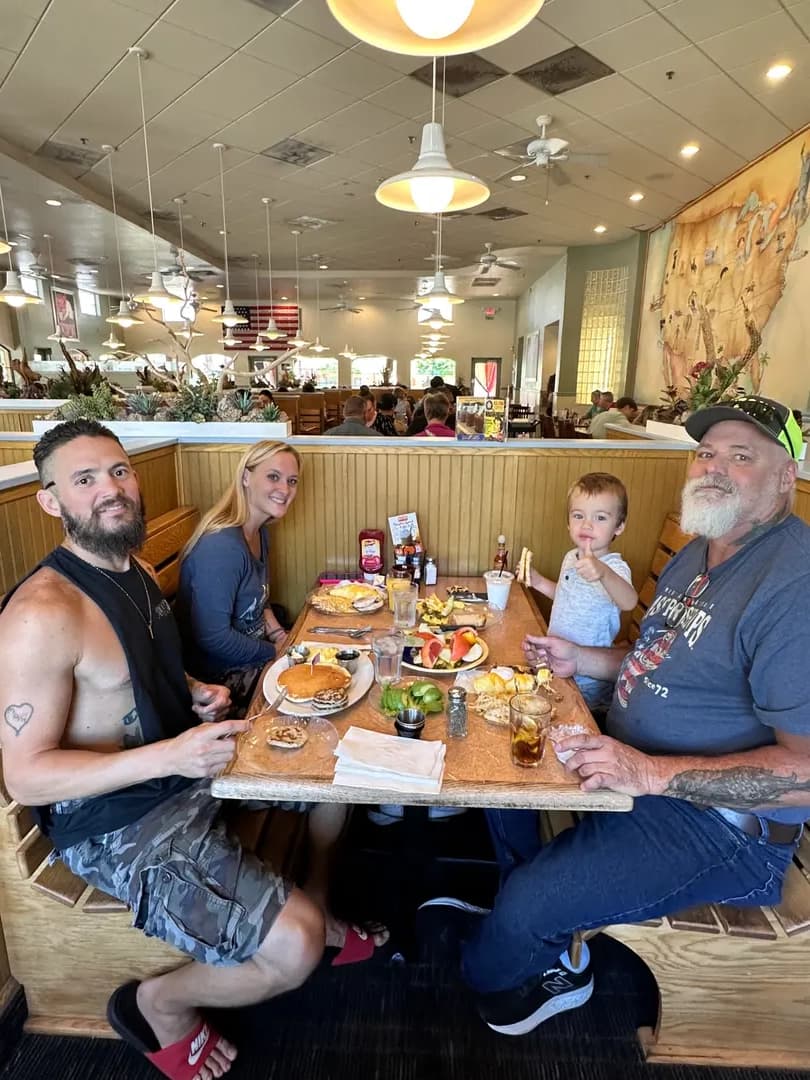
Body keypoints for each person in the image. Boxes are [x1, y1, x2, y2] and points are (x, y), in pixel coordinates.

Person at [0, 421, 387, 1080]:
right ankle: (159, 1005)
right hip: (119, 825)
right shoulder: (42, 613)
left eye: (118, 471)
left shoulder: (137, 570)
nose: (111, 491)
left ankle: (315, 906)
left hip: (182, 772)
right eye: (85, 479)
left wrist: (195, 690)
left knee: (334, 760)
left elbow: (137, 670)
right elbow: (28, 777)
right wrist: (171, 756)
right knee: (291, 951)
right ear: (50, 500)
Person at [424, 395, 810, 1039]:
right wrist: (581, 659)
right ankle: (528, 924)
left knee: (530, 901)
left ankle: (513, 958)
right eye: (706, 453)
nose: (712, 467)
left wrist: (650, 772)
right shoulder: (701, 551)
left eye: (741, 456)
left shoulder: (791, 585)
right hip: (631, 766)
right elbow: (653, 656)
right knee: (498, 773)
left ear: (786, 476)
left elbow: (803, 775)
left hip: (723, 830)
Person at [174, 442, 299, 715]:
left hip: (250, 658)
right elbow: (213, 638)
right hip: (219, 679)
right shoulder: (222, 547)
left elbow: (259, 598)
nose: (285, 489)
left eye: (292, 481)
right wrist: (275, 651)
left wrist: (280, 635)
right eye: (273, 477)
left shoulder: (259, 531)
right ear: (245, 477)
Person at [525, 473, 637, 708]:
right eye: (578, 516)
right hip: (555, 664)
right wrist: (538, 582)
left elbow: (629, 601)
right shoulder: (570, 556)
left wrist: (603, 572)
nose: (587, 524)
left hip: (589, 682)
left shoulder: (615, 566)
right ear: (568, 522)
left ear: (619, 526)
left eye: (600, 517)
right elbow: (567, 597)